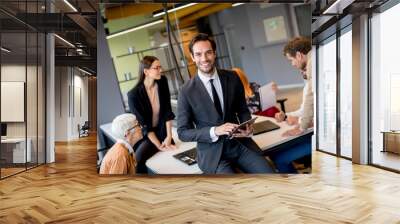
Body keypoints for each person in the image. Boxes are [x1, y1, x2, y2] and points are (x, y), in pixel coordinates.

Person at [177, 33, 274, 174]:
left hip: (240, 145)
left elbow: (242, 109)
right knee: (234, 191)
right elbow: (183, 132)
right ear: (192, 57)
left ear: (214, 53)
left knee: (270, 175)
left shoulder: (232, 77)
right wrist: (214, 131)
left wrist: (247, 125)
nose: (204, 59)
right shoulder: (186, 91)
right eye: (198, 54)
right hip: (213, 154)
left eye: (208, 53)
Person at [127, 56, 176, 173]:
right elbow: (144, 125)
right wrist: (159, 145)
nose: (161, 70)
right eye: (156, 68)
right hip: (146, 135)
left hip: (162, 132)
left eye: (160, 67)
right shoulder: (133, 95)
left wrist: (169, 136)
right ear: (146, 71)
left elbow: (167, 111)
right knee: (137, 161)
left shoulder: (162, 82)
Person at [275, 36, 313, 136]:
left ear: (299, 55)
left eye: (291, 60)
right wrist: (286, 116)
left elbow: (311, 102)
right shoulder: (312, 68)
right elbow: (305, 109)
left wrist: (301, 125)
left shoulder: (313, 64)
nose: (292, 64)